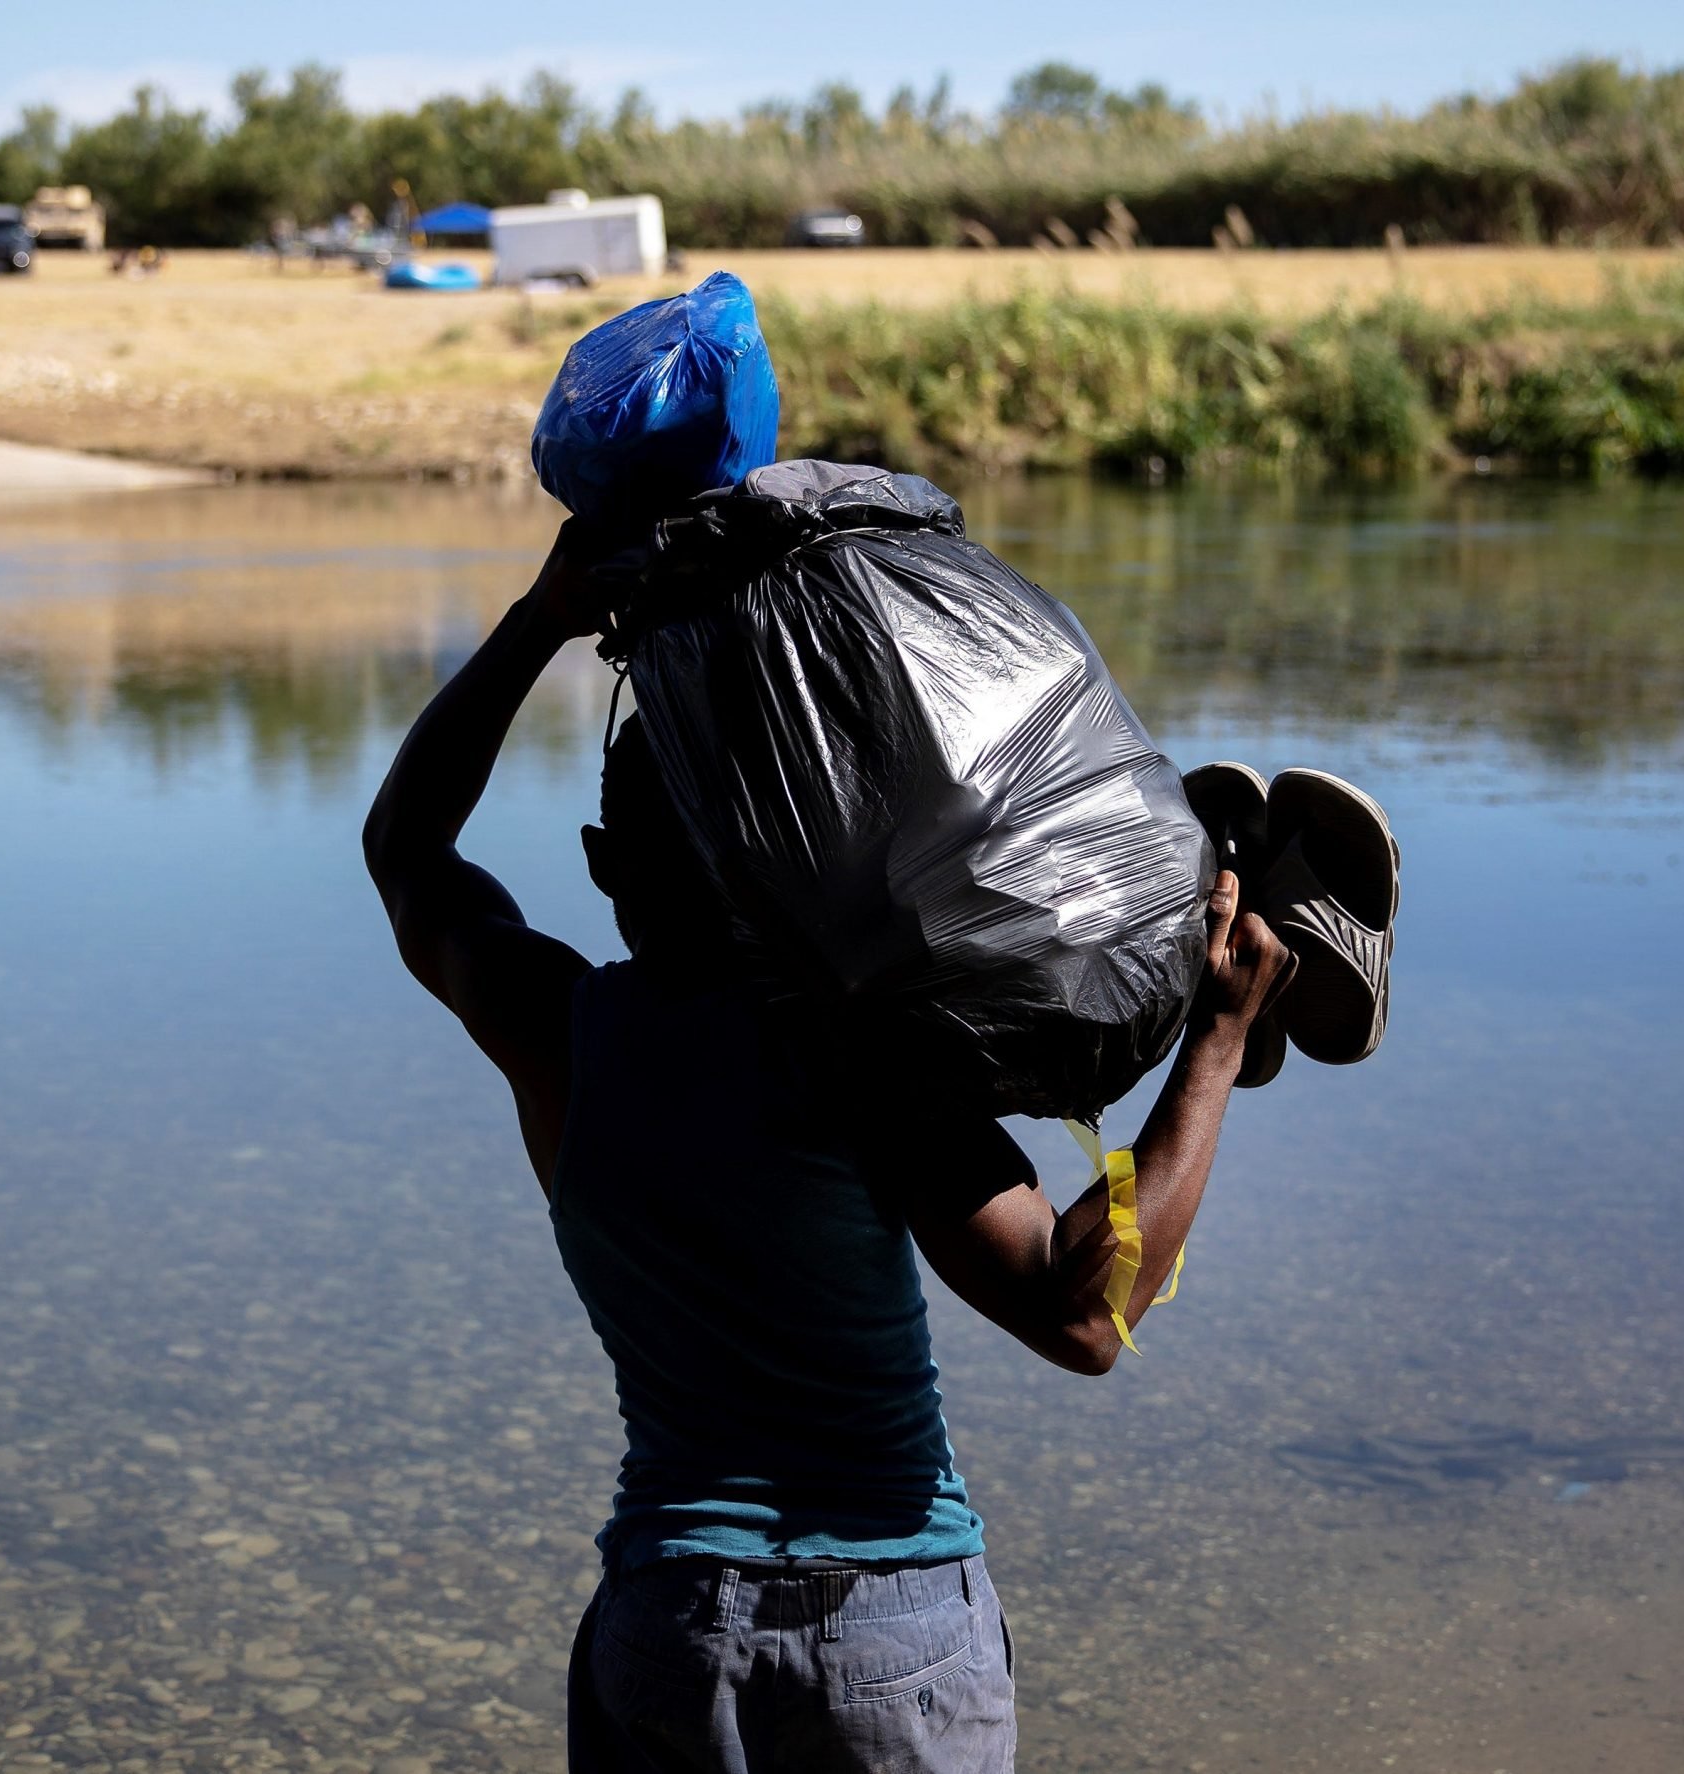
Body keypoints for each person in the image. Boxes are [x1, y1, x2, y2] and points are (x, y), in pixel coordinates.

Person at [362, 533, 1295, 1773]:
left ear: (603, 867)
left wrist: (542, 615)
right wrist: (1218, 1044)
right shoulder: (859, 1053)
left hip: (668, 1629)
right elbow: (1082, 1313)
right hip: (888, 1633)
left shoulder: (560, 1034)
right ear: (772, 865)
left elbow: (408, 851)